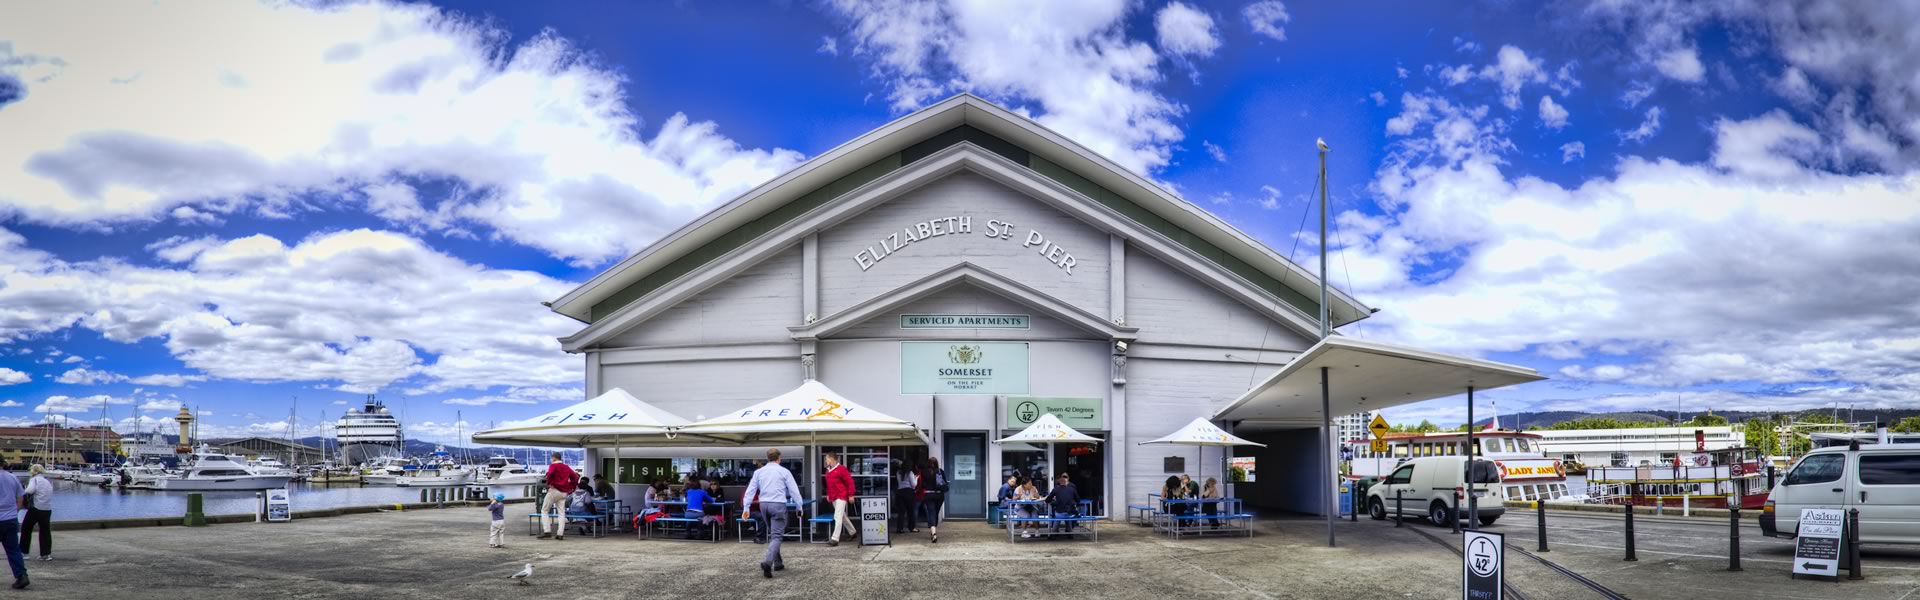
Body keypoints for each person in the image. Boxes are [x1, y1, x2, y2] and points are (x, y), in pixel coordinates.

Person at [742, 448, 803, 579]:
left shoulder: (759, 472)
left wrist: (746, 508)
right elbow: (794, 491)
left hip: (763, 505)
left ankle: (778, 563)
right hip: (778, 505)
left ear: (768, 457)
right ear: (779, 458)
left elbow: (750, 490)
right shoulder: (784, 471)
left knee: (773, 534)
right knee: (777, 536)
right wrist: (799, 506)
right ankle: (768, 562)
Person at [538, 452, 577, 540]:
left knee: (544, 510)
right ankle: (560, 533)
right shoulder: (566, 467)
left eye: (552, 458)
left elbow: (550, 474)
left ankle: (547, 531)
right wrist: (570, 487)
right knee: (561, 513)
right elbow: (574, 477)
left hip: (554, 490)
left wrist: (549, 483)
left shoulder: (553, 466)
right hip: (564, 492)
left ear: (554, 458)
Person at [0, 459, 26, 590]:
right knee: (13, 550)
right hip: (10, 518)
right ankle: (21, 576)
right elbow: (21, 496)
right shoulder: (12, 477)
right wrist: (16, 510)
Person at [822, 452, 856, 546]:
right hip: (834, 496)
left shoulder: (841, 469)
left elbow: (849, 482)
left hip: (841, 495)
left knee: (837, 516)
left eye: (826, 459)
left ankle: (835, 539)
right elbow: (829, 485)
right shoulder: (828, 470)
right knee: (842, 516)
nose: (826, 461)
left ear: (832, 459)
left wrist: (851, 495)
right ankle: (853, 532)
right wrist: (828, 494)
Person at [20, 465, 52, 561]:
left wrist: (23, 490)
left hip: (36, 508)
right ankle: (46, 554)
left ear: (34, 471)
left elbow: (30, 490)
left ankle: (24, 552)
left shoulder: (34, 479)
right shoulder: (47, 481)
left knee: (26, 528)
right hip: (47, 509)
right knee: (45, 531)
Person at [914, 458, 948, 544]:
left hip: (928, 495)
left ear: (927, 463)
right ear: (937, 463)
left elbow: (920, 484)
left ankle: (933, 532)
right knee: (935, 513)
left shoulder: (923, 472)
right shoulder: (940, 471)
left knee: (932, 513)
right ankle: (934, 530)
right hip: (939, 495)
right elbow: (945, 483)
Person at [893, 461, 918, 533]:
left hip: (900, 492)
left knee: (901, 512)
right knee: (910, 511)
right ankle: (911, 527)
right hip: (909, 492)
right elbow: (914, 484)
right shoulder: (910, 473)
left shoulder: (898, 473)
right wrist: (916, 478)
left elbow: (899, 483)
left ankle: (899, 528)